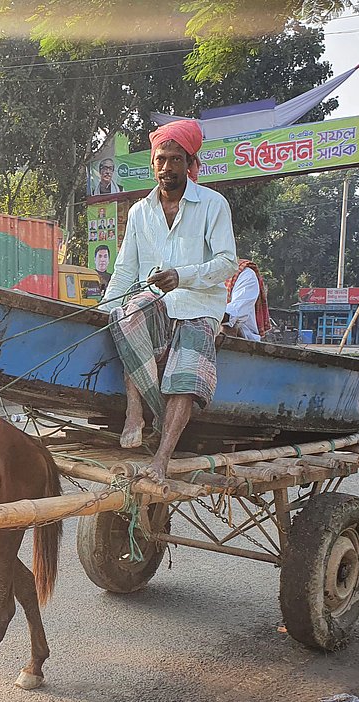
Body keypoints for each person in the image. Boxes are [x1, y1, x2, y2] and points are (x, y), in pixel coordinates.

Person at [104, 118, 237, 481]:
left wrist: (184, 276)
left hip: (199, 306)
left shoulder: (213, 205)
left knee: (185, 374)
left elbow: (227, 262)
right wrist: (103, 309)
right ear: (153, 163)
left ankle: (161, 459)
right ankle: (135, 411)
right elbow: (124, 272)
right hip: (154, 304)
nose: (167, 167)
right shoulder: (138, 212)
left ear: (190, 163)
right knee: (127, 314)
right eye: (161, 159)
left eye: (176, 159)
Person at [223, 260, 269, 342]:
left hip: (243, 339)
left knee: (226, 327)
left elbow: (234, 313)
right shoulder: (199, 273)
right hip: (207, 332)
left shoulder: (246, 274)